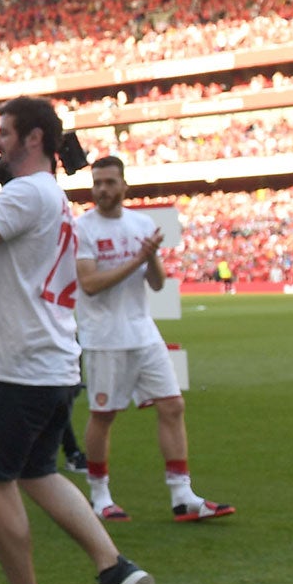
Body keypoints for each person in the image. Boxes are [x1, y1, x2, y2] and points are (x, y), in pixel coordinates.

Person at [0, 97, 154, 584]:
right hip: (51, 360)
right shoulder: (49, 197)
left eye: (6, 133)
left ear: (34, 138)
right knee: (38, 472)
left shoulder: (26, 192)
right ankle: (113, 567)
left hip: (14, 364)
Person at [75, 156, 234, 524]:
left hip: (142, 331)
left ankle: (182, 495)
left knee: (172, 405)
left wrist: (151, 258)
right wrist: (138, 258)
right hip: (103, 336)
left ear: (124, 186)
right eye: (97, 182)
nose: (102, 190)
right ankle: (100, 496)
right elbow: (90, 284)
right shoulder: (83, 227)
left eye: (110, 182)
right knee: (104, 414)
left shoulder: (141, 223)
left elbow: (157, 283)